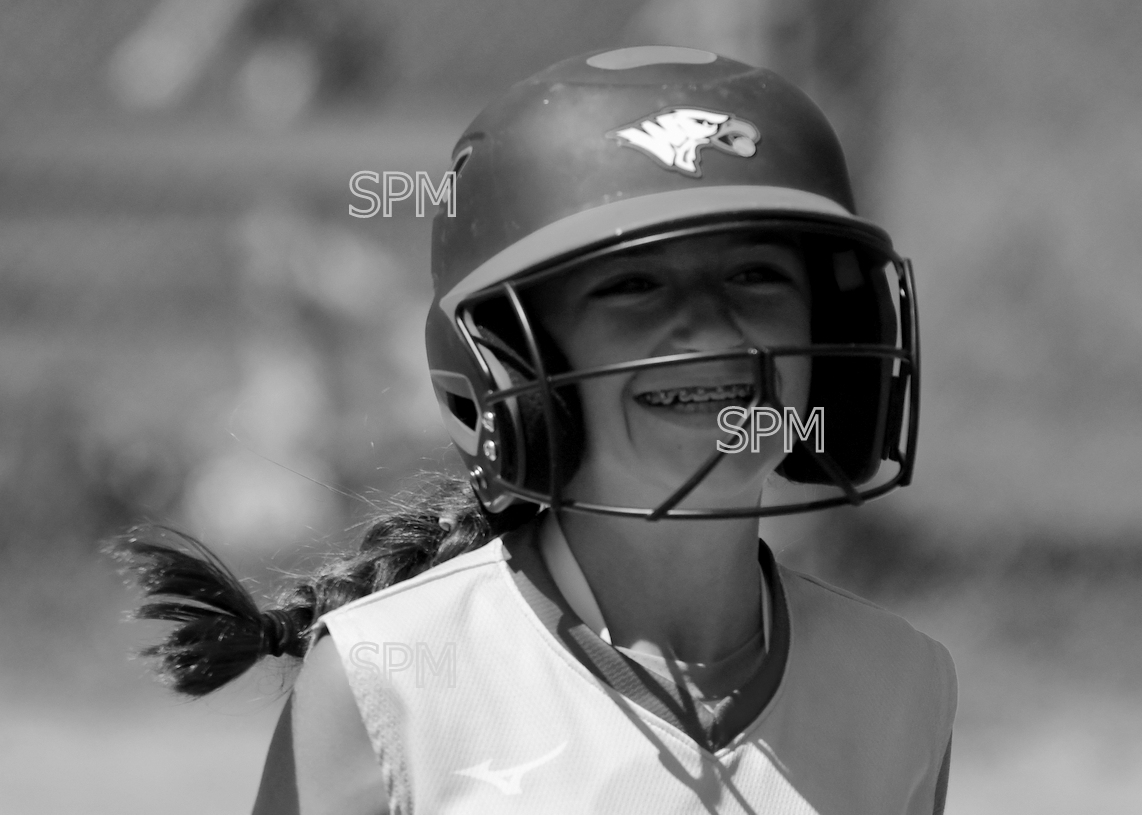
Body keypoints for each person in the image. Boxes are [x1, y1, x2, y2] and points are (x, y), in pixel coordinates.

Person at [110, 46, 953, 815]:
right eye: (633, 285)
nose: (712, 328)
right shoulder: (389, 683)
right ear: (514, 360)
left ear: (837, 333)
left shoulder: (899, 684)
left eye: (757, 274)